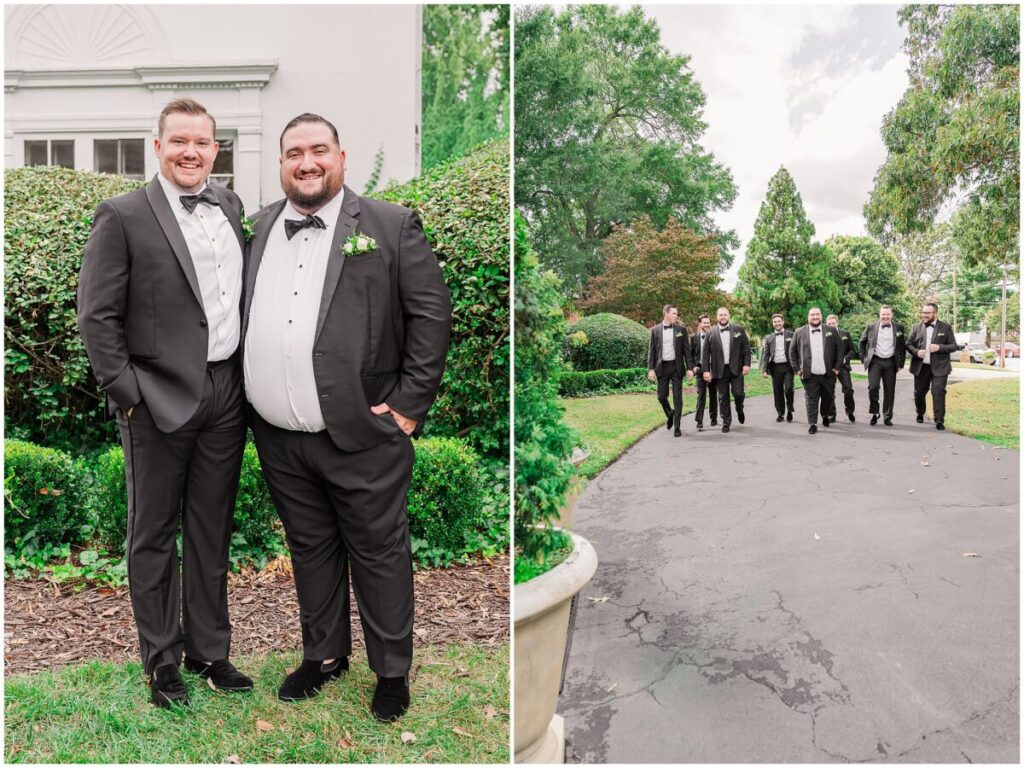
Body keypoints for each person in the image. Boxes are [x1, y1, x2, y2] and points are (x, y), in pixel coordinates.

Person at [243, 113, 451, 721]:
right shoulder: (256, 229)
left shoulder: (387, 225)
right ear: (280, 164)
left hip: (363, 432)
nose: (306, 163)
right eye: (293, 154)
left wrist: (409, 408)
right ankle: (324, 656)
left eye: (318, 151)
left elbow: (430, 319)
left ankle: (390, 672)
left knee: (379, 551)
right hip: (280, 436)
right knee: (309, 549)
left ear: (341, 157)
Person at [78, 99, 251, 707]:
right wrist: (128, 398)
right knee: (152, 533)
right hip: (154, 399)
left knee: (211, 528)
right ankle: (162, 662)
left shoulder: (229, 205)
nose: (190, 152)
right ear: (158, 146)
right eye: (179, 140)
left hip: (227, 393)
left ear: (215, 148)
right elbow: (96, 317)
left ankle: (211, 651)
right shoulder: (121, 216)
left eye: (202, 142)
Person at [789, 307, 843, 434]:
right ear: (808, 317)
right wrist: (797, 369)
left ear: (821, 316)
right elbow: (792, 351)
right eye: (812, 315)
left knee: (828, 397)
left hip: (828, 373)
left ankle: (825, 415)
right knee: (811, 399)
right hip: (809, 374)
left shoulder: (831, 331)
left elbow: (840, 349)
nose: (815, 317)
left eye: (817, 314)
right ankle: (812, 423)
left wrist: (837, 368)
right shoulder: (799, 332)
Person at [906, 302, 958, 430]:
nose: (924, 315)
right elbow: (908, 344)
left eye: (927, 313)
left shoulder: (945, 327)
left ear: (935, 313)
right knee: (919, 393)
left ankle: (939, 420)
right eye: (923, 312)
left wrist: (939, 347)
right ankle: (920, 412)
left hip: (940, 367)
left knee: (938, 392)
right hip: (921, 367)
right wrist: (917, 352)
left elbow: (953, 346)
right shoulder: (915, 327)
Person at [700, 307, 751, 433]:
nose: (723, 317)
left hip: (736, 369)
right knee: (723, 398)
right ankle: (726, 422)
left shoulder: (738, 330)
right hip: (719, 370)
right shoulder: (710, 333)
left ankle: (739, 408)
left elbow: (746, 349)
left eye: (725, 314)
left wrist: (746, 364)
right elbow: (705, 354)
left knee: (738, 393)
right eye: (720, 315)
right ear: (717, 317)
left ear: (729, 316)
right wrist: (706, 370)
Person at [647, 305, 693, 437]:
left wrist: (690, 367)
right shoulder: (655, 330)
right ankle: (670, 413)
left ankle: (677, 427)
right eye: (673, 313)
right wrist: (651, 369)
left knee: (677, 397)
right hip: (662, 368)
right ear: (666, 313)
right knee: (661, 396)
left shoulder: (681, 330)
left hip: (676, 367)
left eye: (676, 313)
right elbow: (652, 351)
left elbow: (686, 351)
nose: (676, 315)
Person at [859, 304, 906, 426]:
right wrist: (864, 358)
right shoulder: (871, 326)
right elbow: (861, 342)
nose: (885, 316)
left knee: (889, 390)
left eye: (887, 314)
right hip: (875, 362)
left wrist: (901, 363)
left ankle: (887, 416)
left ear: (892, 315)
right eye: (883, 314)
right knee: (873, 387)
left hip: (891, 362)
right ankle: (875, 413)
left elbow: (901, 347)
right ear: (879, 314)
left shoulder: (899, 328)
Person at [759, 313, 794, 422]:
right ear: (773, 323)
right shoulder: (769, 338)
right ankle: (780, 413)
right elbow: (766, 355)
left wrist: (798, 367)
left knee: (788, 389)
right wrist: (765, 370)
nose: (777, 323)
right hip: (775, 368)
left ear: (783, 322)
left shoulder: (791, 335)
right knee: (777, 391)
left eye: (779, 321)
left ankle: (789, 409)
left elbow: (796, 351)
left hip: (788, 367)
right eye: (775, 322)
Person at [825, 314, 856, 422]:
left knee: (848, 389)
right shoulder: (823, 335)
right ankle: (831, 414)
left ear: (837, 323)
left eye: (833, 323)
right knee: (829, 392)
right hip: (829, 367)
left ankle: (850, 411)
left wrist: (845, 359)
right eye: (829, 324)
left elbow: (852, 350)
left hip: (843, 367)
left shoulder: (845, 334)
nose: (831, 325)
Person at [690, 314, 718, 430]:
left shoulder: (715, 336)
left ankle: (713, 418)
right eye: (704, 323)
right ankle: (699, 421)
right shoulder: (693, 338)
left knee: (713, 394)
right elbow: (689, 355)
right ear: (700, 324)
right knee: (701, 395)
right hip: (700, 369)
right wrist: (693, 367)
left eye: (708, 323)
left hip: (712, 369)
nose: (707, 325)